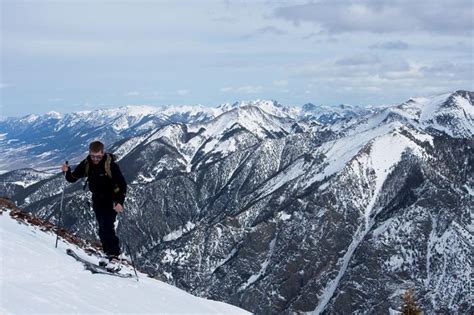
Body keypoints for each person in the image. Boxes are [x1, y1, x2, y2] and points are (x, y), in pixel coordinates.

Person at [62, 140, 127, 271]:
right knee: (102, 227)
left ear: (103, 153)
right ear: (90, 154)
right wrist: (67, 171)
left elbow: (122, 184)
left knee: (108, 225)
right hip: (97, 199)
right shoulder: (87, 163)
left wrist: (120, 202)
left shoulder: (111, 166)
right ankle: (107, 253)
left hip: (111, 200)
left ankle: (114, 256)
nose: (95, 159)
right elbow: (73, 177)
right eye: (93, 156)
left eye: (98, 156)